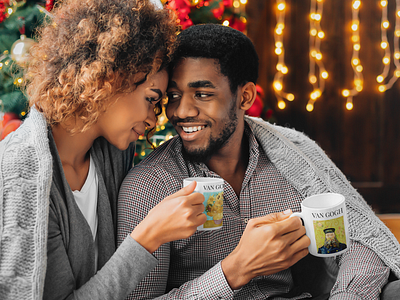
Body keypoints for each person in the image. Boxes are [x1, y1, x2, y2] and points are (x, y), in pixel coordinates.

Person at [117, 23, 400, 299]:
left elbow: (362, 238)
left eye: (202, 94)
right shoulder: (149, 186)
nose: (181, 110)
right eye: (174, 96)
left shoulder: (294, 155)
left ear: (245, 97)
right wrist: (234, 271)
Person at [0, 1, 208, 299]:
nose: (152, 119)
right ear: (110, 78)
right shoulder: (23, 178)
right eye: (151, 99)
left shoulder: (112, 153)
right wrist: (149, 235)